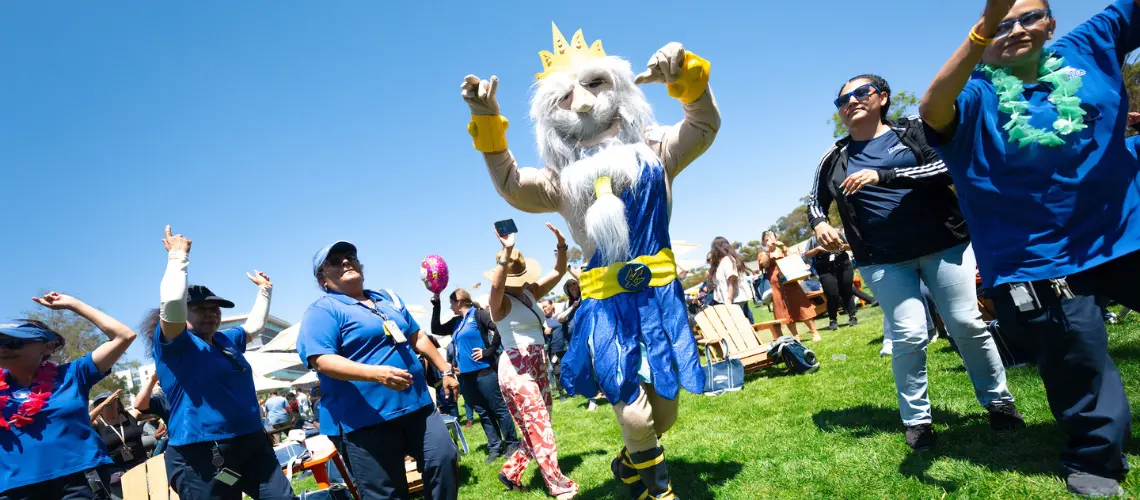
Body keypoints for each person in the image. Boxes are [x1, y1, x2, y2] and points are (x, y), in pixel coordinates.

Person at [462, 27, 717, 498]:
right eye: (564, 98)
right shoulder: (561, 182)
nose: (582, 104)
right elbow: (511, 184)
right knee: (634, 411)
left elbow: (702, 126)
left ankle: (630, 458)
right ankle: (659, 490)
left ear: (620, 87)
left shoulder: (657, 151)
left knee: (665, 411)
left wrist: (687, 76)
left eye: (595, 85)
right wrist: (487, 116)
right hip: (604, 307)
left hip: (660, 299)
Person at [920, 0, 1140, 495]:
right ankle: (1096, 458)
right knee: (1077, 358)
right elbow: (932, 109)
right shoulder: (975, 96)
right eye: (1001, 24)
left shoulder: (1087, 46)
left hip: (1124, 230)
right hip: (1038, 256)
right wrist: (980, 33)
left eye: (1029, 17)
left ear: (1051, 23)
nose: (1016, 30)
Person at [811, 72, 1023, 451]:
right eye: (842, 100)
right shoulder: (835, 156)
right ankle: (917, 420)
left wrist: (884, 174)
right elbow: (814, 200)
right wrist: (821, 223)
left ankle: (998, 401)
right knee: (909, 334)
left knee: (965, 323)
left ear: (883, 97)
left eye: (860, 93)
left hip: (944, 244)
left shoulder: (913, 131)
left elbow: (944, 167)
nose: (850, 102)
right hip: (882, 259)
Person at [298, 240, 460, 500]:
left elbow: (416, 336)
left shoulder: (386, 298)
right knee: (386, 493)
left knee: (443, 458)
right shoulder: (323, 310)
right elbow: (322, 360)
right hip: (363, 420)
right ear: (322, 279)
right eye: (334, 261)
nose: (345, 261)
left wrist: (445, 369)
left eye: (350, 256)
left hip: (416, 405)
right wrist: (376, 374)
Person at [146, 225, 293, 499]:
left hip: (251, 442)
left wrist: (265, 290)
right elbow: (172, 306)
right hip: (202, 453)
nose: (211, 313)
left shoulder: (226, 340)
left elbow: (254, 328)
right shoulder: (176, 345)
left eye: (214, 308)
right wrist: (178, 259)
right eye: (200, 308)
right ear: (182, 314)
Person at [0, 293, 136, 500]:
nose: (4, 348)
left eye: (14, 342)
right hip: (14, 489)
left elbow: (123, 336)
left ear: (47, 347)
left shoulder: (73, 374)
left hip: (79, 482)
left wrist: (73, 304)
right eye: (0, 341)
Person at [486, 223, 578, 499]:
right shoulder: (498, 302)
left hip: (537, 362)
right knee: (540, 425)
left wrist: (561, 244)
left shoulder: (528, 293)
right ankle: (557, 485)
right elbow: (496, 285)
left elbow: (559, 271)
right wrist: (507, 250)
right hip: (517, 366)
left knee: (537, 423)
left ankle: (511, 471)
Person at [430, 288, 519, 464]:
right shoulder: (456, 322)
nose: (451, 306)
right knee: (483, 412)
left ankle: (512, 443)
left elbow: (499, 328)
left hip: (485, 370)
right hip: (466, 376)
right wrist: (437, 304)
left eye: (451, 302)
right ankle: (495, 446)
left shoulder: (479, 314)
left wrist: (489, 351)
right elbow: (435, 328)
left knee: (498, 408)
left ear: (460, 301)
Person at [758, 231, 821, 342]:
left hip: (789, 280)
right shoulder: (763, 253)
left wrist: (784, 249)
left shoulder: (781, 247)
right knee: (784, 311)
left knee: (801, 305)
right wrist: (769, 252)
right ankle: (795, 336)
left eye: (771, 236)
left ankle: (814, 332)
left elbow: (793, 259)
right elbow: (765, 264)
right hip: (776, 285)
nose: (770, 239)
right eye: (766, 238)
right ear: (763, 241)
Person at [91, 391, 150, 499]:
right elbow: (82, 424)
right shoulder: (96, 424)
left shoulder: (131, 415)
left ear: (118, 403)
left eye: (111, 401)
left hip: (141, 466)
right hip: (116, 474)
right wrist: (103, 404)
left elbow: (153, 410)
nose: (108, 403)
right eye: (102, 403)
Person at [804, 234, 858, 330]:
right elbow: (806, 255)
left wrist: (840, 246)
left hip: (843, 263)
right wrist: (818, 249)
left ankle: (852, 315)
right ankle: (833, 319)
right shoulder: (812, 240)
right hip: (825, 268)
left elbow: (851, 246)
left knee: (846, 290)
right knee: (831, 293)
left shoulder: (838, 234)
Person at [708, 236, 756, 323]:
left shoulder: (728, 260)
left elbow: (732, 280)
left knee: (738, 325)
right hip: (730, 300)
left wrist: (729, 299)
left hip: (734, 300)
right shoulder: (722, 262)